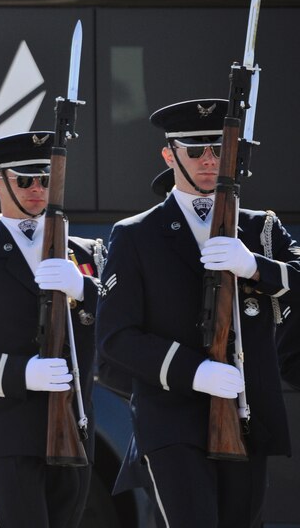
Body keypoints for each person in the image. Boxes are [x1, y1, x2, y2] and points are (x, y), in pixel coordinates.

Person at [96, 98, 300, 527]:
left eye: (220, 150)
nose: (210, 161)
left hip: (247, 417)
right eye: (195, 151)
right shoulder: (136, 235)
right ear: (170, 155)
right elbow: (116, 337)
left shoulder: (260, 230)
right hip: (171, 420)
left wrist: (255, 267)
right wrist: (192, 371)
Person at [0, 131, 104, 528]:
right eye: (24, 180)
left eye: (45, 179)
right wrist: (22, 372)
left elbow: (118, 328)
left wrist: (84, 289)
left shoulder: (84, 255)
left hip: (75, 426)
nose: (36, 190)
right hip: (9, 432)